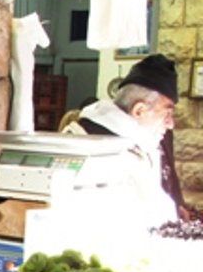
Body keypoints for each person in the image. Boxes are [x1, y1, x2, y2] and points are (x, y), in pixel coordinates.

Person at [62, 54, 195, 221]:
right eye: (167, 113)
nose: (170, 124)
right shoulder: (83, 142)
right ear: (139, 111)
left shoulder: (142, 142)